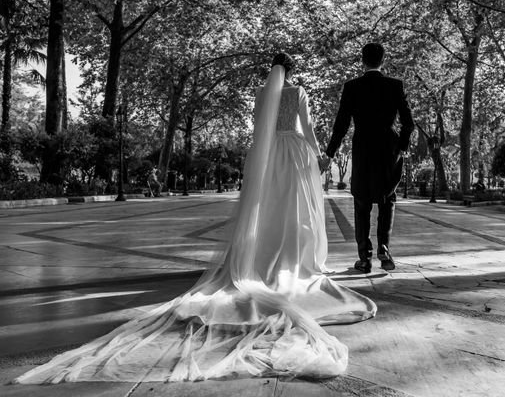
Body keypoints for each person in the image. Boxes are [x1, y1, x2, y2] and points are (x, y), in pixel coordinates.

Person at [14, 54, 375, 384]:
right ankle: (291, 258)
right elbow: (306, 128)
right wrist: (319, 155)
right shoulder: (297, 92)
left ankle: (262, 255)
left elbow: (258, 131)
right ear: (293, 71)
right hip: (293, 154)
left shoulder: (262, 94)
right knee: (294, 210)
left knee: (267, 208)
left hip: (267, 158)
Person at [323, 43, 414, 274]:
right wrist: (401, 146)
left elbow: (341, 124)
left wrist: (330, 153)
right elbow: (408, 122)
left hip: (363, 147)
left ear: (362, 60)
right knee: (387, 198)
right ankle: (384, 247)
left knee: (361, 201)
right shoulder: (395, 85)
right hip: (388, 148)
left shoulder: (352, 87)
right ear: (383, 60)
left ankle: (364, 258)